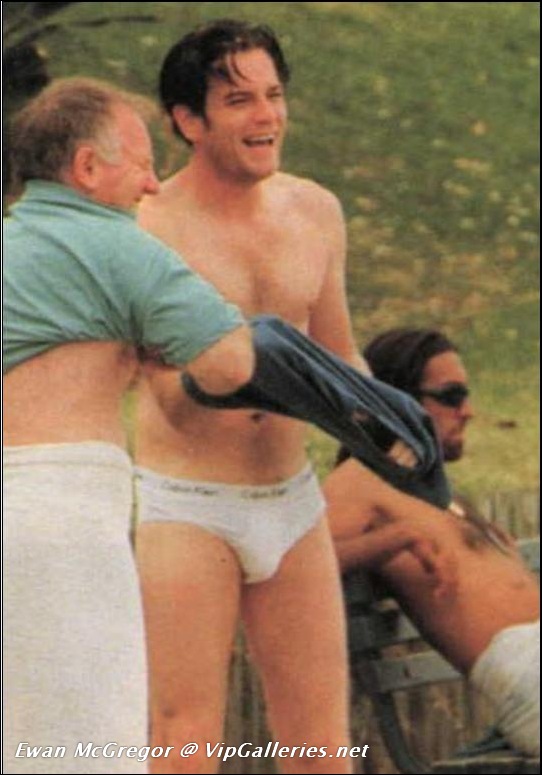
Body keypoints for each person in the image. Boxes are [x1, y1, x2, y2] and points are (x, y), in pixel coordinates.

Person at [134, 19, 372, 775]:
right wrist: (228, 375)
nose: (267, 116)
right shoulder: (145, 227)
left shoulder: (316, 211)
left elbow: (340, 352)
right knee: (186, 740)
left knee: (321, 748)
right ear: (188, 121)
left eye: (274, 95)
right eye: (239, 101)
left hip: (292, 501)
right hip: (187, 505)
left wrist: (386, 423)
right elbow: (158, 392)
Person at [2, 77, 256, 775]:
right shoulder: (116, 243)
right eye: (142, 163)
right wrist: (148, 335)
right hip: (62, 523)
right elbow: (231, 362)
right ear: (87, 167)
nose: (153, 184)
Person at [324, 328, 540, 757]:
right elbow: (297, 562)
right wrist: (399, 537)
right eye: (451, 396)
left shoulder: (431, 489)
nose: (468, 412)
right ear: (397, 400)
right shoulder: (361, 479)